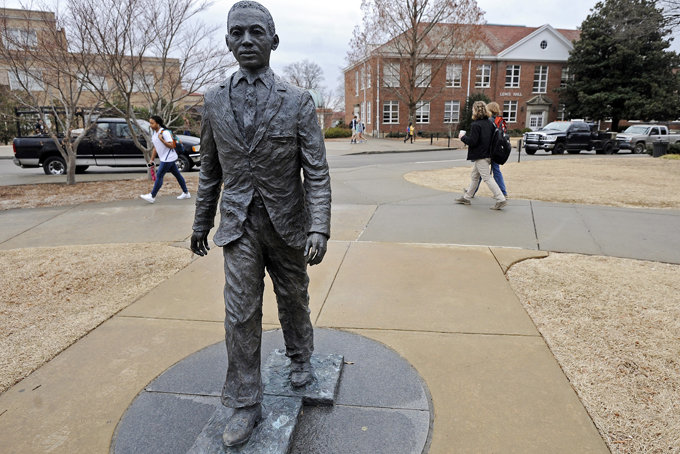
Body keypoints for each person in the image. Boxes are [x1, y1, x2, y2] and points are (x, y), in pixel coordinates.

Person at [190, 1, 331, 447]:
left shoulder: (299, 101)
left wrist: (319, 227)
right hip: (237, 224)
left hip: (288, 222)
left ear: (273, 40)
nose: (246, 40)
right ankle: (246, 403)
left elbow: (317, 172)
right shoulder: (212, 101)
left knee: (293, 297)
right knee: (240, 312)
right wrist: (200, 224)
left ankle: (300, 356)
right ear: (228, 41)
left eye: (256, 32)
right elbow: (210, 170)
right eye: (237, 33)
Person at [456, 101, 507, 210]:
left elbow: (473, 141)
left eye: (473, 109)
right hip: (488, 154)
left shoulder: (476, 125)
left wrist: (462, 137)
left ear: (476, 111)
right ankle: (467, 197)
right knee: (475, 176)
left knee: (487, 178)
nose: (472, 111)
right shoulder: (490, 123)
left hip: (480, 155)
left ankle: (501, 198)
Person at [139, 115, 191, 203]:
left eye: (152, 123)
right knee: (177, 174)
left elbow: (171, 145)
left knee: (159, 175)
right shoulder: (154, 133)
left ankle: (152, 196)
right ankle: (186, 192)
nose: (150, 125)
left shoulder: (164, 133)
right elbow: (155, 147)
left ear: (158, 124)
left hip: (169, 157)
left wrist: (162, 140)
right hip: (165, 157)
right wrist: (152, 160)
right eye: (150, 123)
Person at [467, 102, 508, 199]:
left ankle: (501, 196)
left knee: (485, 176)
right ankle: (468, 194)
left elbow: (476, 140)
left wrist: (463, 138)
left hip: (484, 153)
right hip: (495, 150)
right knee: (478, 174)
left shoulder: (487, 122)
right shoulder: (499, 120)